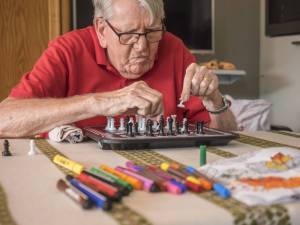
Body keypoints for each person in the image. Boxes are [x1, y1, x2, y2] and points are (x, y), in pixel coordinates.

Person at [0, 0, 237, 138]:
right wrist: (97, 103)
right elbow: (4, 119)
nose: (143, 46)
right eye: (129, 34)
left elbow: (227, 136)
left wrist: (215, 101)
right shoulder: (68, 49)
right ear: (102, 30)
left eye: (152, 32)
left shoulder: (173, 48)